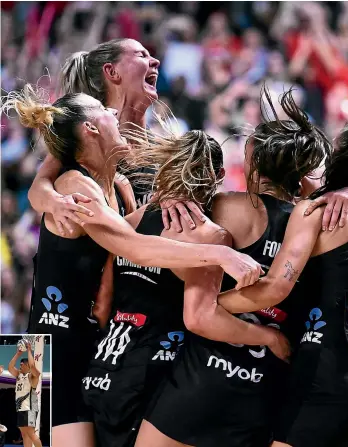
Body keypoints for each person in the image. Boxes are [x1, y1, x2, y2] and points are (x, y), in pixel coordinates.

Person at [2, 86, 262, 447]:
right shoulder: (74, 183)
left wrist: (171, 195)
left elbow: (128, 241)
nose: (114, 113)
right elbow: (133, 246)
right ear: (91, 129)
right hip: (37, 352)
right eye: (105, 112)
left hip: (83, 344)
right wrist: (221, 255)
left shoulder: (117, 186)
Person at [217, 116, 348, 447]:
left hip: (326, 376)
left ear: (346, 154)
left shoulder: (317, 211)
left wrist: (214, 304)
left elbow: (274, 288)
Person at [81, 126, 290, 447]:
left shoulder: (131, 223)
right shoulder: (208, 235)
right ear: (218, 176)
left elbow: (102, 304)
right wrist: (269, 337)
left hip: (101, 366)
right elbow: (201, 318)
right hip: (148, 372)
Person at [28, 38, 203, 235]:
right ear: (112, 72)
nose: (156, 61)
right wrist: (56, 203)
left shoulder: (163, 149)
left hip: (145, 257)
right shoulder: (90, 137)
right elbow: (37, 189)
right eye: (141, 55)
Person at [7, 342, 42, 447]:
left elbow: (32, 366)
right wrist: (18, 354)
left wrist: (29, 351)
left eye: (22, 365)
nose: (20, 366)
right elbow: (10, 367)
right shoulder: (19, 375)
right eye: (20, 365)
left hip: (30, 408)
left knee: (31, 434)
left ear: (27, 366)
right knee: (24, 435)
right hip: (21, 408)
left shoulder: (32, 376)